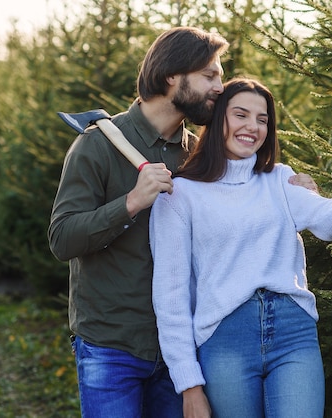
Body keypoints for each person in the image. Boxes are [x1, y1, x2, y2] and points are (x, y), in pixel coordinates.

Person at [48, 28, 318, 417]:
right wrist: (131, 203)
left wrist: (298, 191)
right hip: (112, 344)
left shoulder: (199, 159)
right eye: (210, 75)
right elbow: (61, 239)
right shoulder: (99, 145)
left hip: (183, 351)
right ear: (173, 75)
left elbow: (251, 213)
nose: (219, 87)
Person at [149, 78, 332, 418]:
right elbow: (170, 298)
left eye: (262, 119)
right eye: (241, 115)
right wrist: (189, 385)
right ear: (219, 120)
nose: (252, 127)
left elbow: (326, 220)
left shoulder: (280, 179)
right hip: (224, 339)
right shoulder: (179, 195)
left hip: (293, 333)